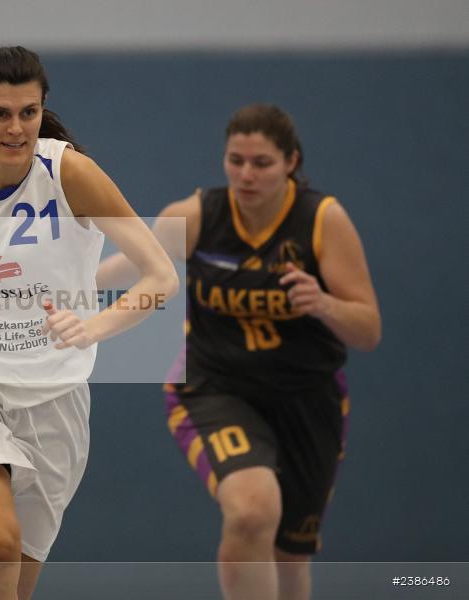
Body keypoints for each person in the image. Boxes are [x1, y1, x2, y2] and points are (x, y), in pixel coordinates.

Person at [0, 46, 178, 600]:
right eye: (0, 113)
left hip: (54, 397)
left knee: (12, 590)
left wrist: (95, 327)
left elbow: (161, 279)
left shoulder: (73, 174)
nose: (16, 128)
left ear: (43, 111)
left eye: (29, 112)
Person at [98, 103, 381, 600]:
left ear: (291, 162)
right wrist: (54, 288)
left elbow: (368, 329)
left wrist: (324, 303)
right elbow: (130, 265)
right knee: (252, 511)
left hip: (306, 397)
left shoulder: (321, 220)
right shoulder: (197, 215)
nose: (246, 175)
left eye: (262, 163)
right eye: (236, 161)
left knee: (291, 557)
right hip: (214, 388)